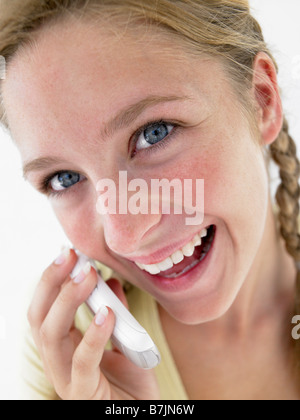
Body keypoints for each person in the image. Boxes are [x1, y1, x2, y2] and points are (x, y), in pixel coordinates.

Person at [0, 0, 299, 400]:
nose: (124, 236)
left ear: (263, 100)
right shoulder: (74, 357)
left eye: (154, 133)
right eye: (64, 178)